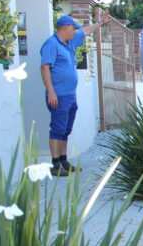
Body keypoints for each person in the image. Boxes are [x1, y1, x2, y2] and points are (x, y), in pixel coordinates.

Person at [40, 14, 108, 176]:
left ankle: (63, 160)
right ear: (65, 28)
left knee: (66, 128)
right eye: (72, 28)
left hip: (70, 95)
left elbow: (85, 31)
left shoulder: (69, 42)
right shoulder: (51, 44)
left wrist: (100, 23)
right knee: (57, 128)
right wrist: (51, 92)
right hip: (58, 95)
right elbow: (44, 68)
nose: (74, 31)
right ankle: (55, 164)